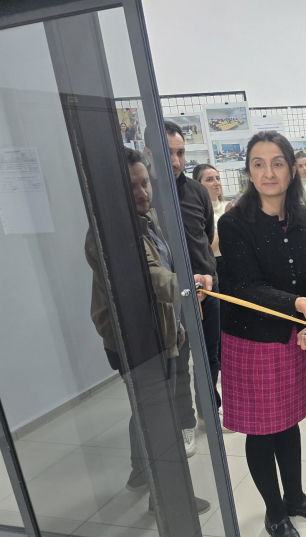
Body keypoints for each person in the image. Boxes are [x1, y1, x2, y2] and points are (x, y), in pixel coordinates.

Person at [217, 131, 306, 537]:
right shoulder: (234, 223)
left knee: (288, 421)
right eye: (258, 164)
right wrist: (298, 305)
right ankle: (275, 513)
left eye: (277, 163)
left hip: (293, 339)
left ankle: (296, 497)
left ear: (292, 169)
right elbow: (246, 287)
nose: (268, 172)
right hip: (251, 340)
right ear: (248, 172)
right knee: (261, 429)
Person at [85, 148, 212, 514]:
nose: (142, 193)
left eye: (145, 183)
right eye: (132, 187)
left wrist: (175, 324)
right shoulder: (110, 232)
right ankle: (170, 502)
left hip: (157, 332)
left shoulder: (146, 218)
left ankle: (140, 472)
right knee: (160, 418)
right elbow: (150, 278)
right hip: (134, 342)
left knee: (148, 408)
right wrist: (189, 285)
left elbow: (162, 269)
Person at [165, 121, 220, 457]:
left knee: (210, 356)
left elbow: (206, 234)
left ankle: (209, 411)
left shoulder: (198, 192)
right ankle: (185, 424)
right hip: (172, 297)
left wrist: (204, 277)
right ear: (150, 152)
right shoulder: (147, 193)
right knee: (180, 360)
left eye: (181, 153)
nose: (175, 160)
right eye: (168, 152)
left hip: (207, 291)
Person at [192, 162, 233, 433]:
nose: (216, 183)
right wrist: (227, 224)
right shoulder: (203, 211)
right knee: (211, 348)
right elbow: (207, 246)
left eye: (217, 178)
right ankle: (209, 408)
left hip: (228, 274)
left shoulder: (226, 207)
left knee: (224, 346)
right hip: (209, 275)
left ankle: (225, 403)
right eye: (209, 179)